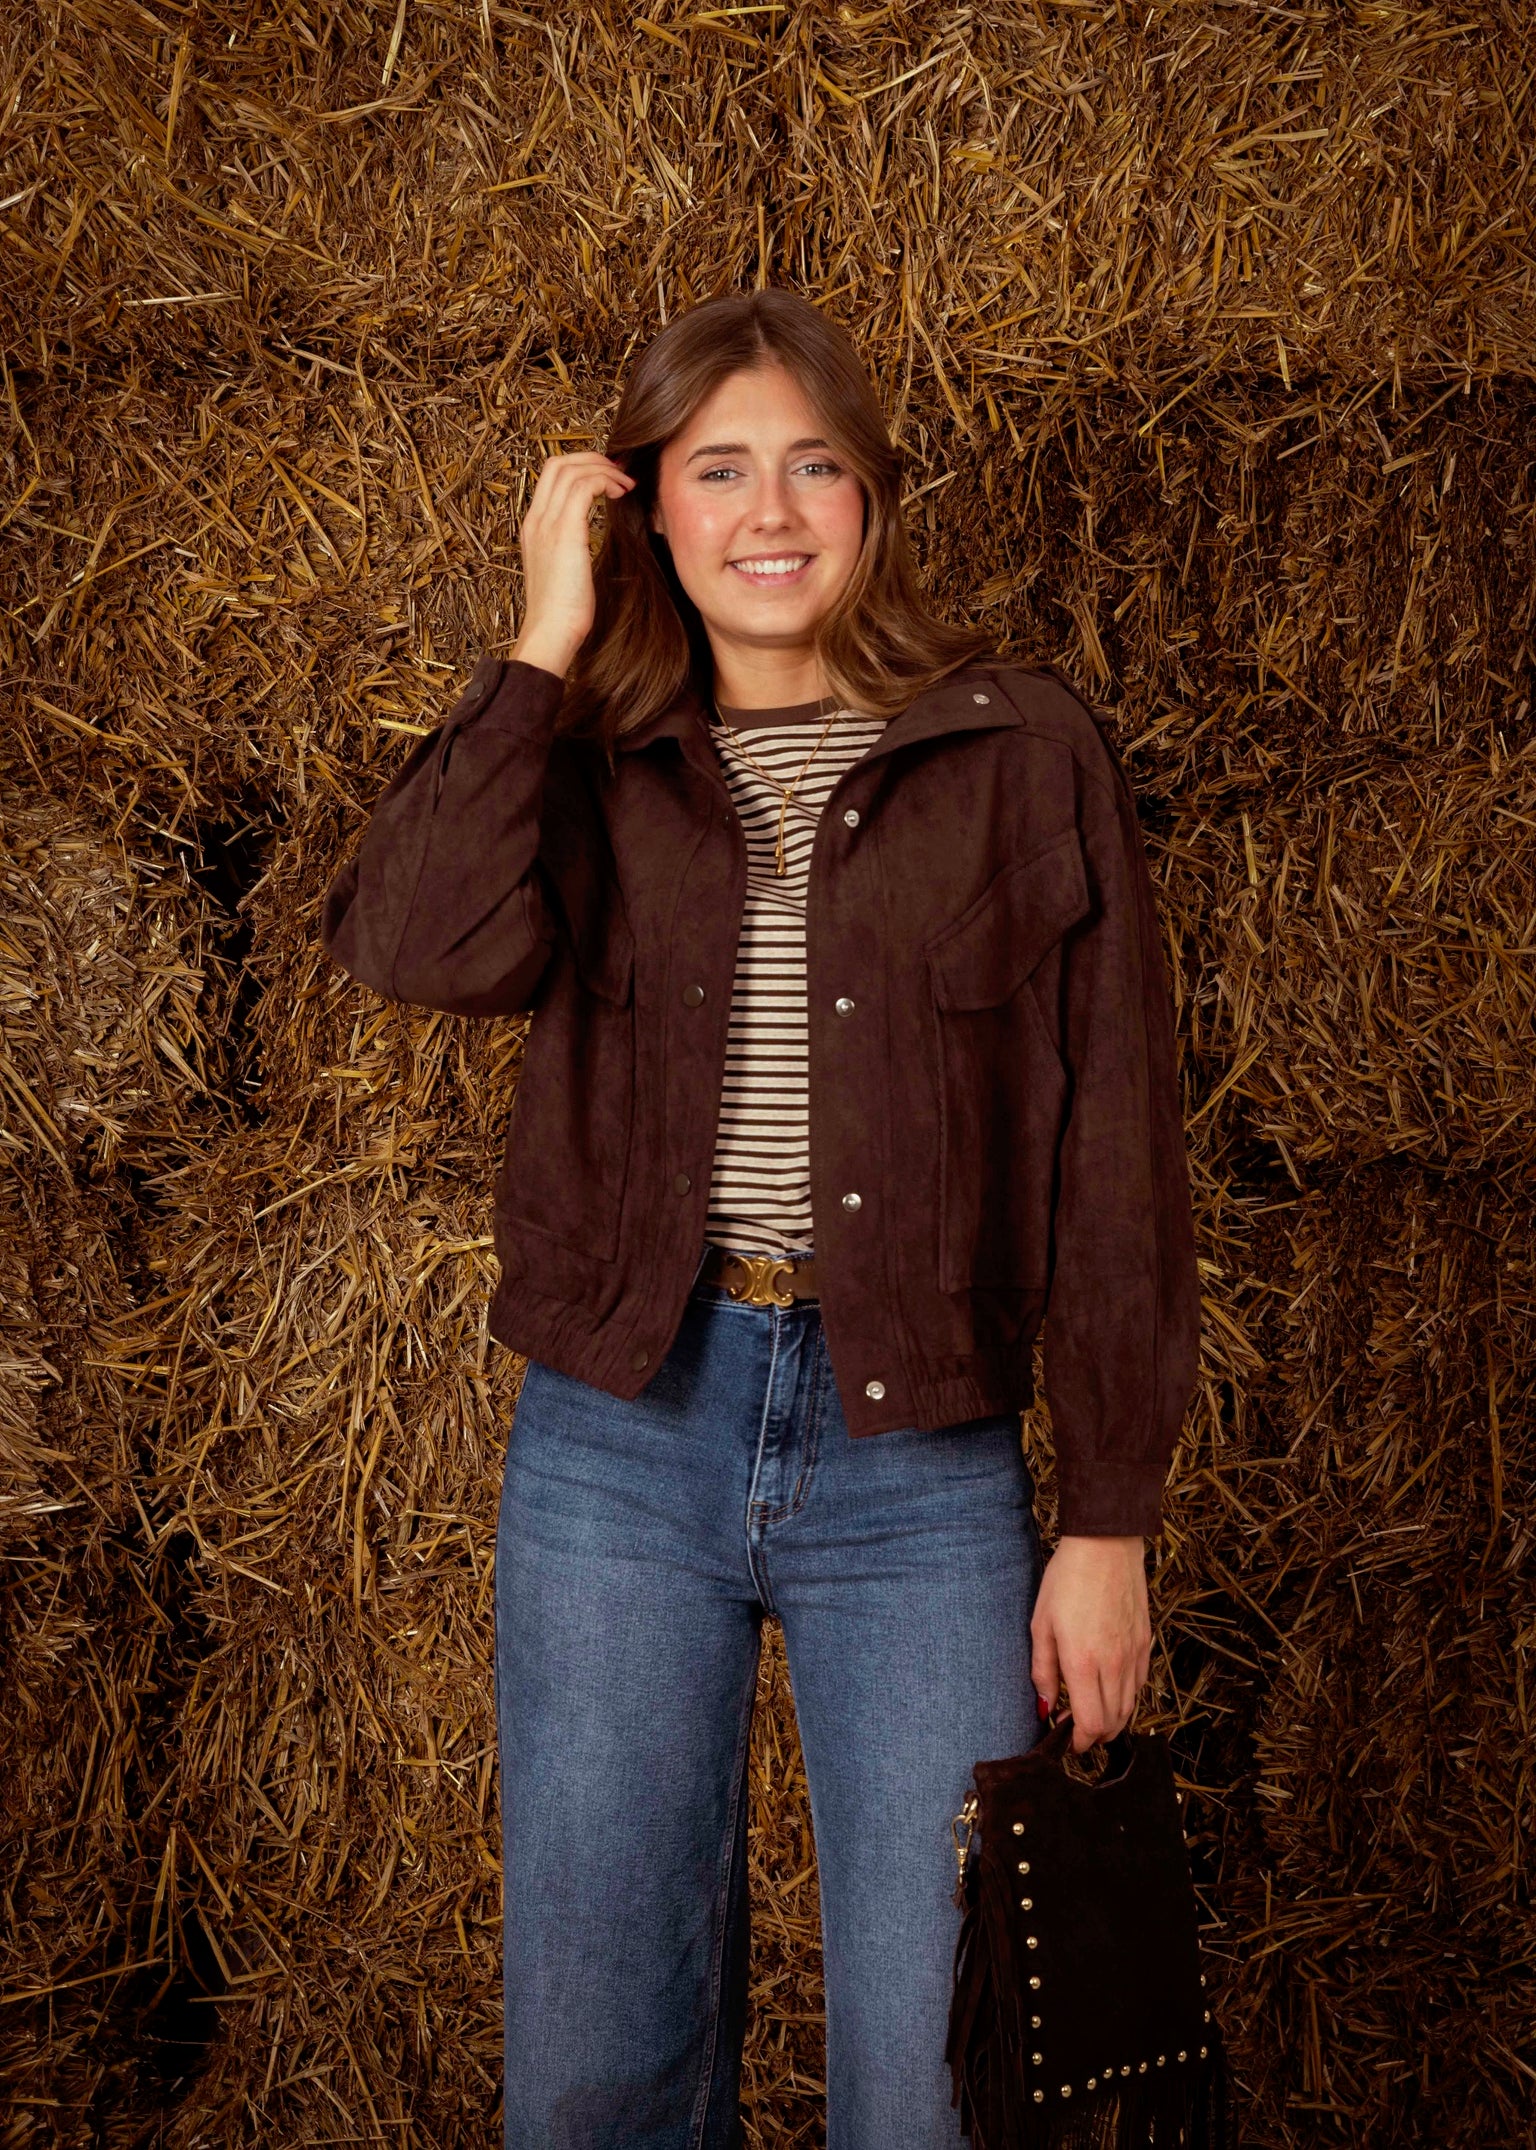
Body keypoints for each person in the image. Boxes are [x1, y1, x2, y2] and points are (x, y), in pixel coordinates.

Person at [321, 287, 1200, 2150]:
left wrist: (1110, 1514)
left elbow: (1118, 1151)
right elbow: (409, 943)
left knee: (931, 2076)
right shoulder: (591, 757)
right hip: (620, 1440)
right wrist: (542, 637)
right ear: (647, 508)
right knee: (597, 2070)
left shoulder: (1022, 751)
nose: (772, 511)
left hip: (922, 1459)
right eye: (718, 470)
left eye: (814, 464)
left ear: (873, 497)